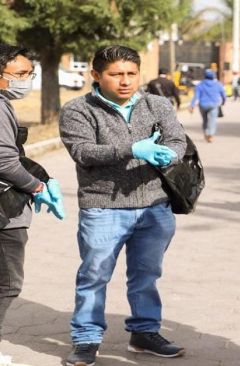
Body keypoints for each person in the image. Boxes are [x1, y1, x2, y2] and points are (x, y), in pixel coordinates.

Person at [59, 45, 187, 366]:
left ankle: (144, 333)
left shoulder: (157, 104)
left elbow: (177, 140)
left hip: (154, 206)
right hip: (103, 207)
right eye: (116, 75)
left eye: (131, 74)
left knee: (146, 275)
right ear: (96, 76)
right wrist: (132, 149)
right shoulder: (78, 110)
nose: (125, 81)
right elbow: (84, 152)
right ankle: (86, 338)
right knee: (94, 275)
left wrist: (170, 154)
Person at [0, 44, 64, 365]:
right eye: (20, 74)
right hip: (4, 213)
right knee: (7, 284)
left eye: (30, 73)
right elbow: (4, 161)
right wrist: (38, 186)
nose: (26, 80)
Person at [189, 69, 226, 143]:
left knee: (205, 120)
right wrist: (224, 101)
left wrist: (192, 105)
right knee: (212, 120)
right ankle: (210, 135)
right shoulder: (218, 84)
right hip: (214, 105)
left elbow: (196, 96)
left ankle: (206, 133)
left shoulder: (200, 84)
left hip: (203, 105)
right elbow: (223, 95)